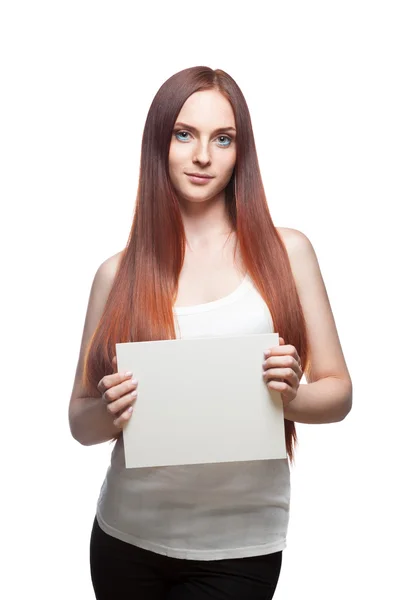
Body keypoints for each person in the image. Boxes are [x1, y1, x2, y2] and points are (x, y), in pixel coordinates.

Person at [69, 66, 352, 599]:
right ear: (160, 144)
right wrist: (110, 410)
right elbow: (80, 422)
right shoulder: (117, 273)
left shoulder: (288, 253)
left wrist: (290, 397)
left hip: (240, 546)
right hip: (126, 538)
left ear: (240, 152)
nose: (203, 156)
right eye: (184, 134)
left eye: (223, 139)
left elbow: (338, 393)